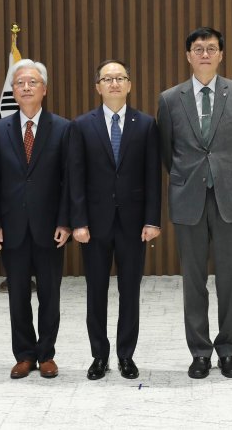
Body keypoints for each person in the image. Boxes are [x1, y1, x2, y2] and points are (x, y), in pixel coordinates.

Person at [157, 27, 232, 379]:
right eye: (197, 48)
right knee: (193, 279)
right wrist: (190, 175)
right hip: (188, 199)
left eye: (211, 48)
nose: (204, 54)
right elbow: (168, 152)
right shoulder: (169, 99)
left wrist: (226, 172)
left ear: (221, 54)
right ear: (187, 55)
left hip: (230, 196)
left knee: (231, 278)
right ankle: (199, 352)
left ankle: (228, 350)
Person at [68, 59, 161, 380]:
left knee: (130, 292)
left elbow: (153, 177)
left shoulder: (146, 124)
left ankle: (126, 355)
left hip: (134, 226)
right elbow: (75, 177)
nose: (114, 84)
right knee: (95, 292)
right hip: (93, 226)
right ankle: (98, 356)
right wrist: (78, 221)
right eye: (107, 79)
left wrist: (152, 220)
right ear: (98, 87)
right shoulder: (81, 125)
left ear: (130, 84)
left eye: (120, 78)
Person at [0, 59, 71, 380]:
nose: (25, 87)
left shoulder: (63, 128)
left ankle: (46, 354)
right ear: (13, 91)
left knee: (50, 293)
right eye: (19, 83)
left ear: (44, 89)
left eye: (32, 82)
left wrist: (65, 221)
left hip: (50, 228)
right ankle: (24, 354)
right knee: (17, 294)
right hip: (12, 229)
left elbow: (69, 180)